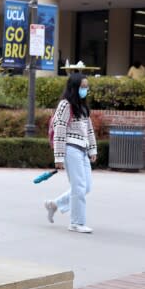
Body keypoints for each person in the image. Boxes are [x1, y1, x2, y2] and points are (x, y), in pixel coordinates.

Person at [44, 73, 98, 233]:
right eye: (82, 87)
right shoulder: (65, 105)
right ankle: (76, 223)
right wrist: (59, 156)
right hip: (71, 148)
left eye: (86, 87)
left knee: (85, 187)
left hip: (82, 150)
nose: (85, 90)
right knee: (79, 187)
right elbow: (59, 130)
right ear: (74, 88)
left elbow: (89, 129)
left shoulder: (82, 106)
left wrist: (92, 149)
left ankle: (54, 204)